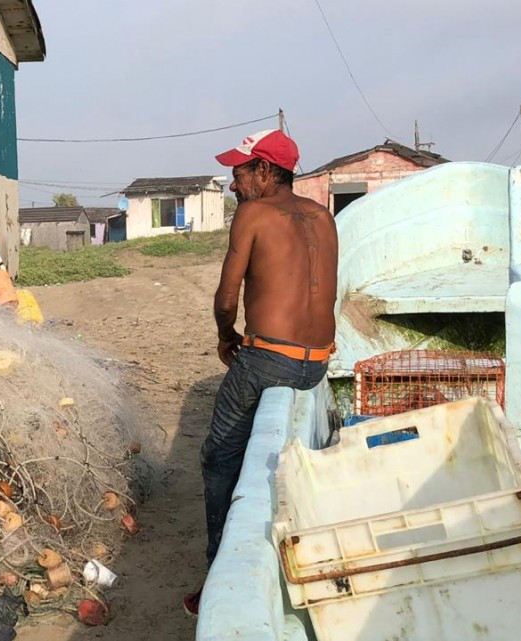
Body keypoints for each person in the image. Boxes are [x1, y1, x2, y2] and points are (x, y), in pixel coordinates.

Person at [184, 130, 338, 616]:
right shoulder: (323, 216)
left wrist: (227, 337)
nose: (233, 185)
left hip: (271, 356)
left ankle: (216, 575)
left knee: (215, 455)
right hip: (317, 362)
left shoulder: (253, 214)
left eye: (239, 173)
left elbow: (226, 298)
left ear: (266, 172)